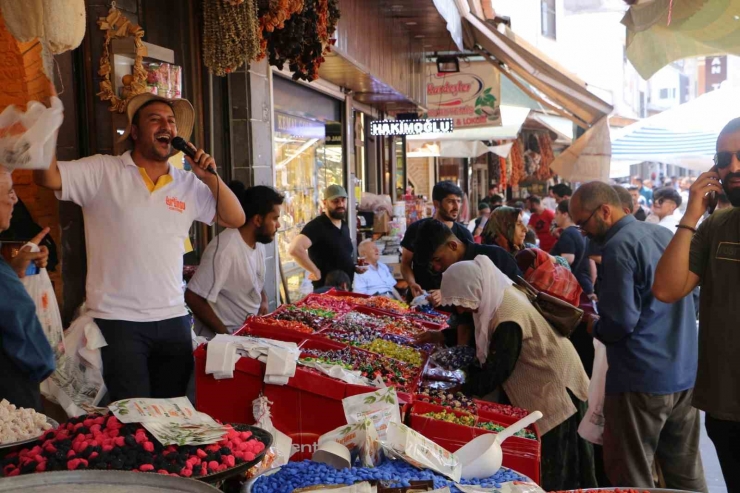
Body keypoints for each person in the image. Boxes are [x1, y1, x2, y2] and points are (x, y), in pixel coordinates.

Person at [34, 93, 245, 402]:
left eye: (171, 121)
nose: (167, 126)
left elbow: (234, 218)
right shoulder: (103, 171)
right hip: (118, 322)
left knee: (172, 416)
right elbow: (46, 177)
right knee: (132, 419)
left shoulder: (188, 184)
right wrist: (47, 127)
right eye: (155, 119)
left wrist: (209, 177)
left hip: (173, 320)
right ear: (134, 132)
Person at [570, 182, 706, 492]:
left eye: (583, 223)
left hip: (640, 380)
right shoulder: (661, 233)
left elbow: (619, 323)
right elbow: (692, 297)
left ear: (605, 211)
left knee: (632, 477)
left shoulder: (619, 247)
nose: (584, 232)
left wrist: (591, 325)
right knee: (685, 475)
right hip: (683, 374)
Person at [440, 256, 596, 491]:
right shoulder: (496, 297)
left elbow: (497, 371)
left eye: (461, 301)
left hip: (555, 391)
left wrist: (458, 393)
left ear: (474, 289)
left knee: (560, 468)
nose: (461, 309)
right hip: (547, 383)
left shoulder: (507, 316)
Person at [653, 117, 740, 492]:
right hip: (726, 408)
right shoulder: (715, 227)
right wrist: (691, 215)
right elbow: (667, 289)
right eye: (724, 158)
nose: (733, 166)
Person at [186, 183, 284, 339]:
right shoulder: (225, 249)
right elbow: (193, 297)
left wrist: (263, 300)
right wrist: (227, 337)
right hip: (221, 345)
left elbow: (255, 282)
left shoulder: (258, 244)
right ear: (258, 220)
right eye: (275, 218)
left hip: (248, 336)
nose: (278, 225)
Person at [0, 166, 56, 411]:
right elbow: (18, 318)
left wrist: (14, 269)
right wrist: (45, 364)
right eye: (9, 192)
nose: (15, 199)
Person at [400, 181, 473, 299]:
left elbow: (469, 274)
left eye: (458, 201)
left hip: (452, 302)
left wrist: (445, 291)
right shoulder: (417, 229)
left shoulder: (464, 235)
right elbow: (405, 263)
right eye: (450, 201)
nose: (456, 207)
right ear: (436, 204)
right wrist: (412, 283)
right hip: (420, 298)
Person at [289, 184, 365, 291]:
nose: (341, 204)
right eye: (335, 201)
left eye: (343, 200)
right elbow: (295, 249)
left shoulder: (343, 225)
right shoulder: (317, 226)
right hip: (325, 293)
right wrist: (315, 271)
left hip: (345, 290)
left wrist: (354, 267)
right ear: (325, 203)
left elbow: (340, 256)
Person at [413, 220, 521, 283]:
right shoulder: (444, 273)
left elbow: (519, 297)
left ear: (453, 245)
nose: (436, 267)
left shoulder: (496, 257)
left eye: (438, 260)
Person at [550, 200, 594, 299]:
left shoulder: (568, 233)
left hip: (574, 289)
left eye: (557, 213)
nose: (554, 216)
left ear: (565, 214)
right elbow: (591, 262)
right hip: (585, 284)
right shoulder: (581, 232)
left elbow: (567, 260)